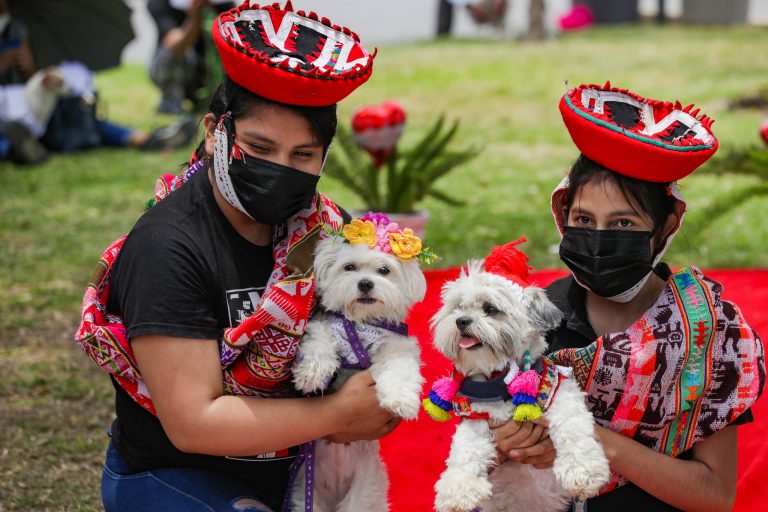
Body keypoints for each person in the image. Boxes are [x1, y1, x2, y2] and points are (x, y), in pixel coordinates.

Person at [74, 3, 388, 511]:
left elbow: (369, 333)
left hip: (300, 470)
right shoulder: (169, 247)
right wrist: (339, 414)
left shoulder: (327, 229)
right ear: (214, 132)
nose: (280, 170)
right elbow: (193, 424)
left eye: (302, 156)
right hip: (175, 475)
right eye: (259, 148)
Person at [491, 82, 765, 511]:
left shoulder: (707, 335)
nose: (599, 240)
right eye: (584, 218)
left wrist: (590, 440)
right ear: (562, 212)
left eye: (622, 224)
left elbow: (715, 495)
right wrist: (508, 442)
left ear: (667, 225)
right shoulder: (532, 322)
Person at [148, 0, 234, 115]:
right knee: (184, 53)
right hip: (178, 72)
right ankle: (171, 103)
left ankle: (219, 100)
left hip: (206, 73)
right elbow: (175, 46)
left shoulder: (222, 5)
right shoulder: (161, 3)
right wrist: (194, 17)